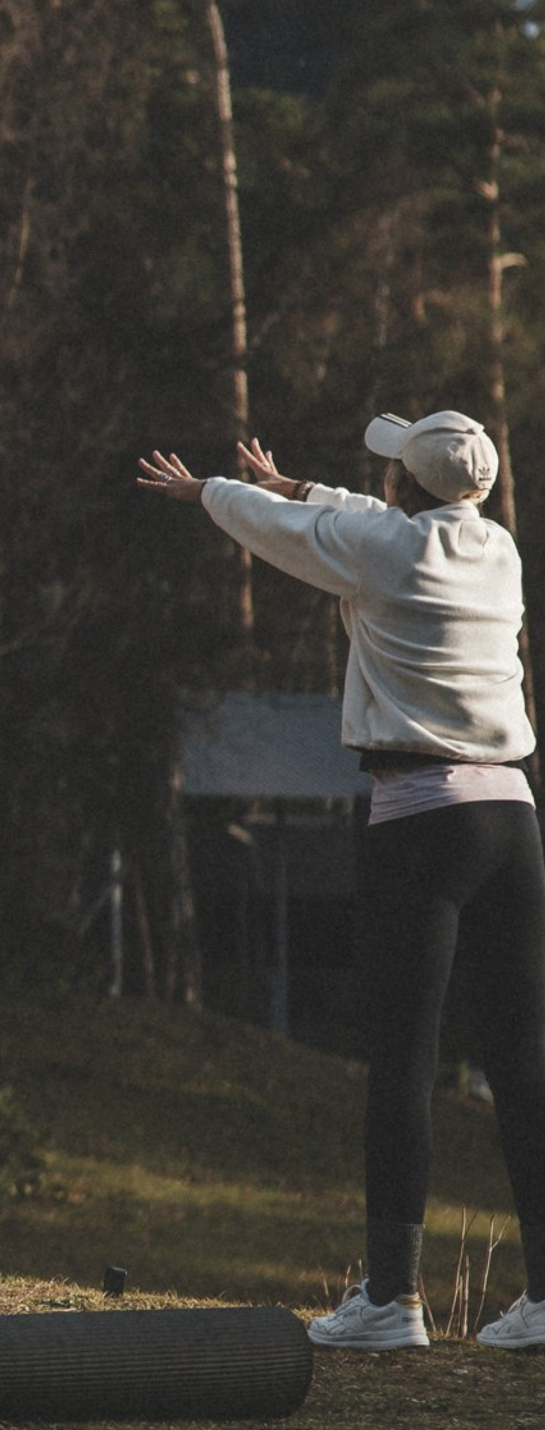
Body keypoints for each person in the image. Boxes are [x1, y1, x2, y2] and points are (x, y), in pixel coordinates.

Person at [139, 413, 545, 1352]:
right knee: (522, 1061)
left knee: (402, 1057)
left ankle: (392, 1302)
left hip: (420, 818)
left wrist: (208, 492)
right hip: (513, 819)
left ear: (409, 488)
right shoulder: (498, 550)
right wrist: (303, 489)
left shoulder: (382, 553)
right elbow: (359, 516)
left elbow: (302, 537)